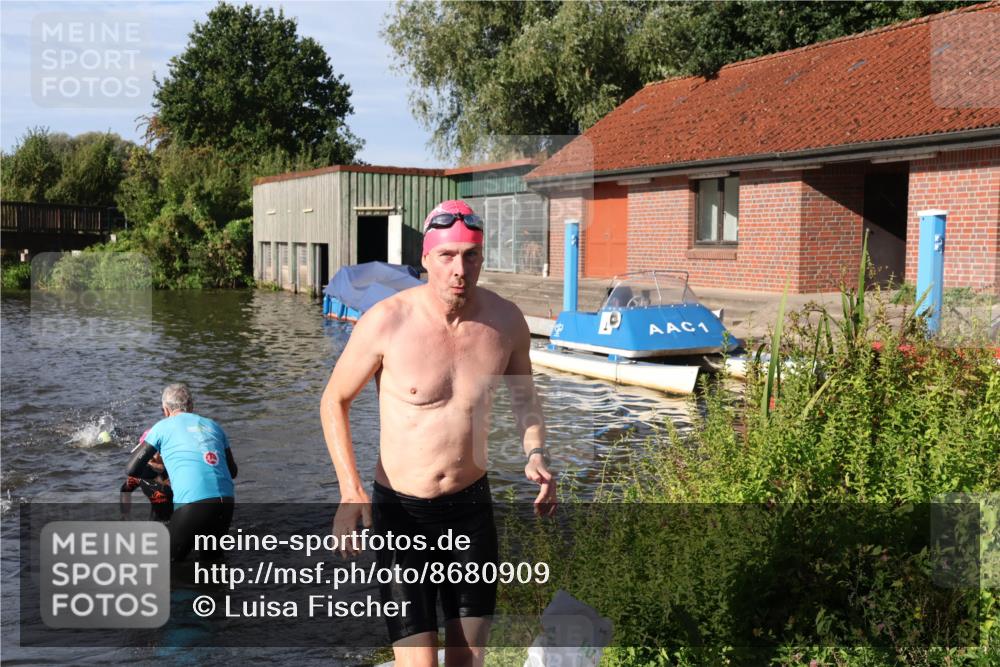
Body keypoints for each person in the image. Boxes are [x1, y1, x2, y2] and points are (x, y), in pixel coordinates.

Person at [320, 200, 556, 667]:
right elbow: (334, 401)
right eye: (447, 256)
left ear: (482, 259)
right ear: (426, 258)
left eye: (470, 256)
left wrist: (535, 452)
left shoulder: (506, 322)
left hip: (470, 510)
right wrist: (350, 491)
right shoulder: (386, 321)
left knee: (467, 660)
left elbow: (525, 399)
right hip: (402, 515)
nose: (459, 269)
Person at [126, 383, 237, 561]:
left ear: (165, 410)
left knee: (166, 563)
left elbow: (131, 468)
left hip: (193, 501)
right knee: (212, 563)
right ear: (191, 406)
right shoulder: (214, 427)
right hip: (226, 502)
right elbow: (232, 471)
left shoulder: (162, 427)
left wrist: (157, 473)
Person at [120, 428, 174, 522]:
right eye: (145, 456)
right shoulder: (140, 473)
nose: (149, 459)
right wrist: (126, 515)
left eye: (154, 453)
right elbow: (125, 490)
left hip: (180, 522)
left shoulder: (176, 470)